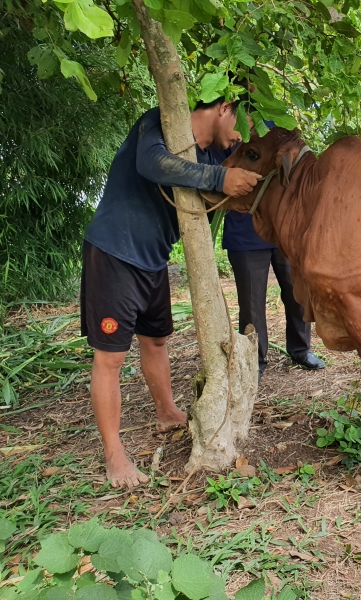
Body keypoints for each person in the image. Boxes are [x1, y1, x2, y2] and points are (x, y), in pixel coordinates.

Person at [81, 98, 261, 489]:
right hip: (114, 252)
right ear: (224, 107)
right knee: (110, 357)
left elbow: (214, 198)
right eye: (240, 126)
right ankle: (114, 455)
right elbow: (152, 164)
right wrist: (218, 181)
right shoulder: (159, 122)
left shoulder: (213, 158)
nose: (239, 139)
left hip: (153, 260)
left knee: (157, 339)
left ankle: (166, 412)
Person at [223, 211, 325, 379]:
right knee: (251, 305)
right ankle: (254, 361)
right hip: (246, 234)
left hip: (287, 234)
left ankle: (301, 349)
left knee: (298, 296)